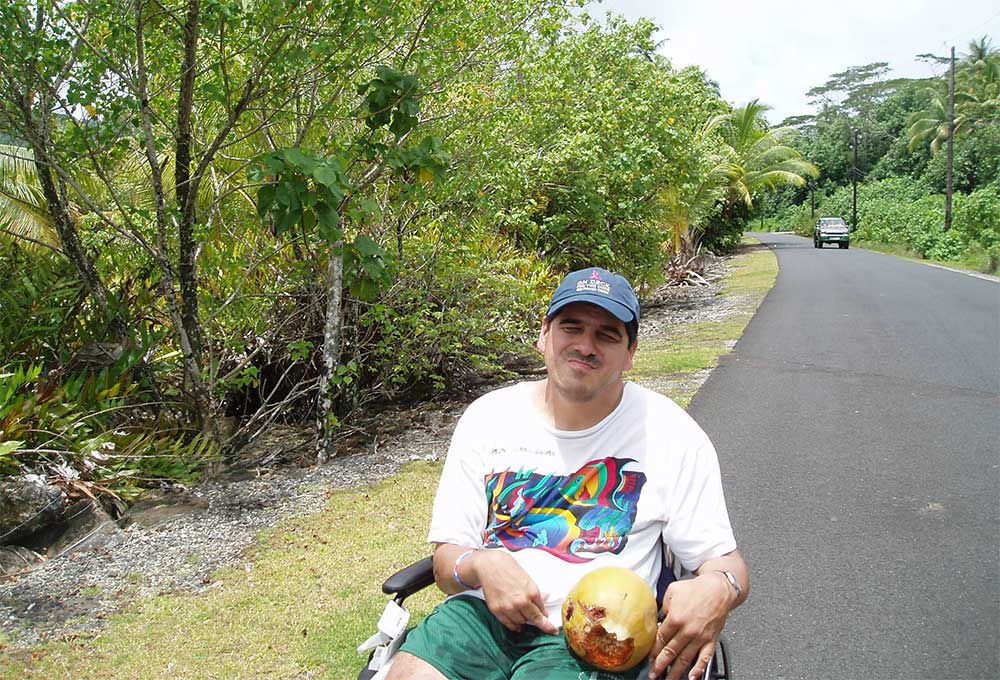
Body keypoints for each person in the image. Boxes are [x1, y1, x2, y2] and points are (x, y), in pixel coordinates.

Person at [386, 267, 748, 680]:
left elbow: (726, 563)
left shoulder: (671, 434)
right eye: (570, 327)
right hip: (482, 618)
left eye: (607, 334)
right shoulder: (487, 418)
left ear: (630, 353)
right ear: (544, 334)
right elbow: (446, 562)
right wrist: (480, 565)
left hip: (598, 634)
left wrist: (720, 589)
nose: (584, 346)